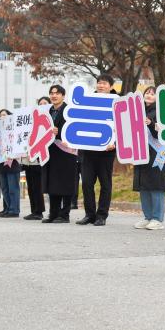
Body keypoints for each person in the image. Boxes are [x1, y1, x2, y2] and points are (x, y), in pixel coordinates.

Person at [76, 74, 117, 226]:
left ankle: (102, 215)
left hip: (107, 150)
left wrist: (116, 143)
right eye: (99, 83)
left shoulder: (117, 103)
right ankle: (89, 214)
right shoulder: (88, 100)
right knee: (86, 183)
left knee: (105, 184)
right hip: (88, 149)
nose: (101, 86)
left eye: (105, 83)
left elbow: (122, 126)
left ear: (111, 86)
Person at [133, 86, 165, 230]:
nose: (149, 95)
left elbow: (164, 132)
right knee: (144, 186)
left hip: (158, 153)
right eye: (147, 92)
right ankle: (147, 216)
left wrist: (151, 124)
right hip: (141, 152)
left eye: (153, 94)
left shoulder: (162, 111)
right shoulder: (137, 110)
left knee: (156, 185)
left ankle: (157, 218)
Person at [42, 85, 78, 223]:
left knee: (65, 183)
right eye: (51, 93)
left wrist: (61, 132)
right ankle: (53, 213)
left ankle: (64, 215)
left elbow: (74, 128)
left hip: (66, 152)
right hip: (50, 151)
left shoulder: (69, 110)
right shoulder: (47, 111)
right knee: (52, 183)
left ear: (63, 95)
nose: (54, 96)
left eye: (57, 93)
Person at [22, 96, 50, 220]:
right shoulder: (32, 118)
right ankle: (34, 210)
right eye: (40, 103)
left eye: (45, 103)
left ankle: (39, 211)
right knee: (31, 185)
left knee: (38, 186)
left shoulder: (49, 118)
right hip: (29, 157)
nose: (42, 105)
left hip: (41, 156)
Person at [0, 109, 21, 218]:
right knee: (5, 188)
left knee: (13, 188)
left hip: (13, 162)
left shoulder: (15, 130)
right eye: (0, 115)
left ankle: (14, 210)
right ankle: (7, 207)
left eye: (4, 115)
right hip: (1, 162)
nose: (2, 117)